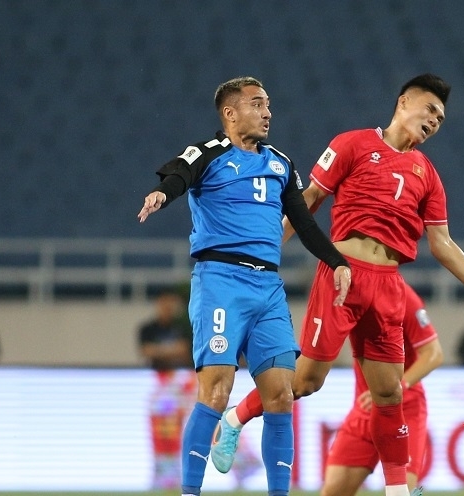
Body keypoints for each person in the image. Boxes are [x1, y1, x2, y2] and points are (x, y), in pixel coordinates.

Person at [214, 73, 464, 496]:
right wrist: (262, 255)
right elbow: (308, 201)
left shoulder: (427, 174)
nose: (435, 121)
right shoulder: (352, 144)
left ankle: (397, 490)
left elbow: (442, 243)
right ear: (404, 101)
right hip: (344, 275)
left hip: (388, 285)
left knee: (390, 393)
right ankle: (234, 418)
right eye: (430, 109)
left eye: (441, 119)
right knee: (306, 381)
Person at [137, 76, 352, 496]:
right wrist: (162, 194)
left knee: (281, 395)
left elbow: (304, 223)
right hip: (221, 281)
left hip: (267, 288)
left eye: (268, 104)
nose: (267, 112)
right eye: (257, 104)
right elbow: (180, 174)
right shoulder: (210, 153)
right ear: (230, 113)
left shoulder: (280, 164)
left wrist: (336, 261)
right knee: (216, 390)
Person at [322, 283, 443, 496]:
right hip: (365, 407)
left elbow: (434, 354)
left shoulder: (405, 298)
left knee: (403, 491)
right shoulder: (347, 292)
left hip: (404, 408)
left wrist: (396, 386)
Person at [138, 289, 196, 489]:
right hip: (160, 383)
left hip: (181, 382)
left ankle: (173, 475)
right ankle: (164, 475)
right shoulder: (148, 328)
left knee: (177, 428)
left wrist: (160, 351)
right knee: (163, 430)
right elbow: (146, 351)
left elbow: (185, 350)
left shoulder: (182, 328)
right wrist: (173, 351)